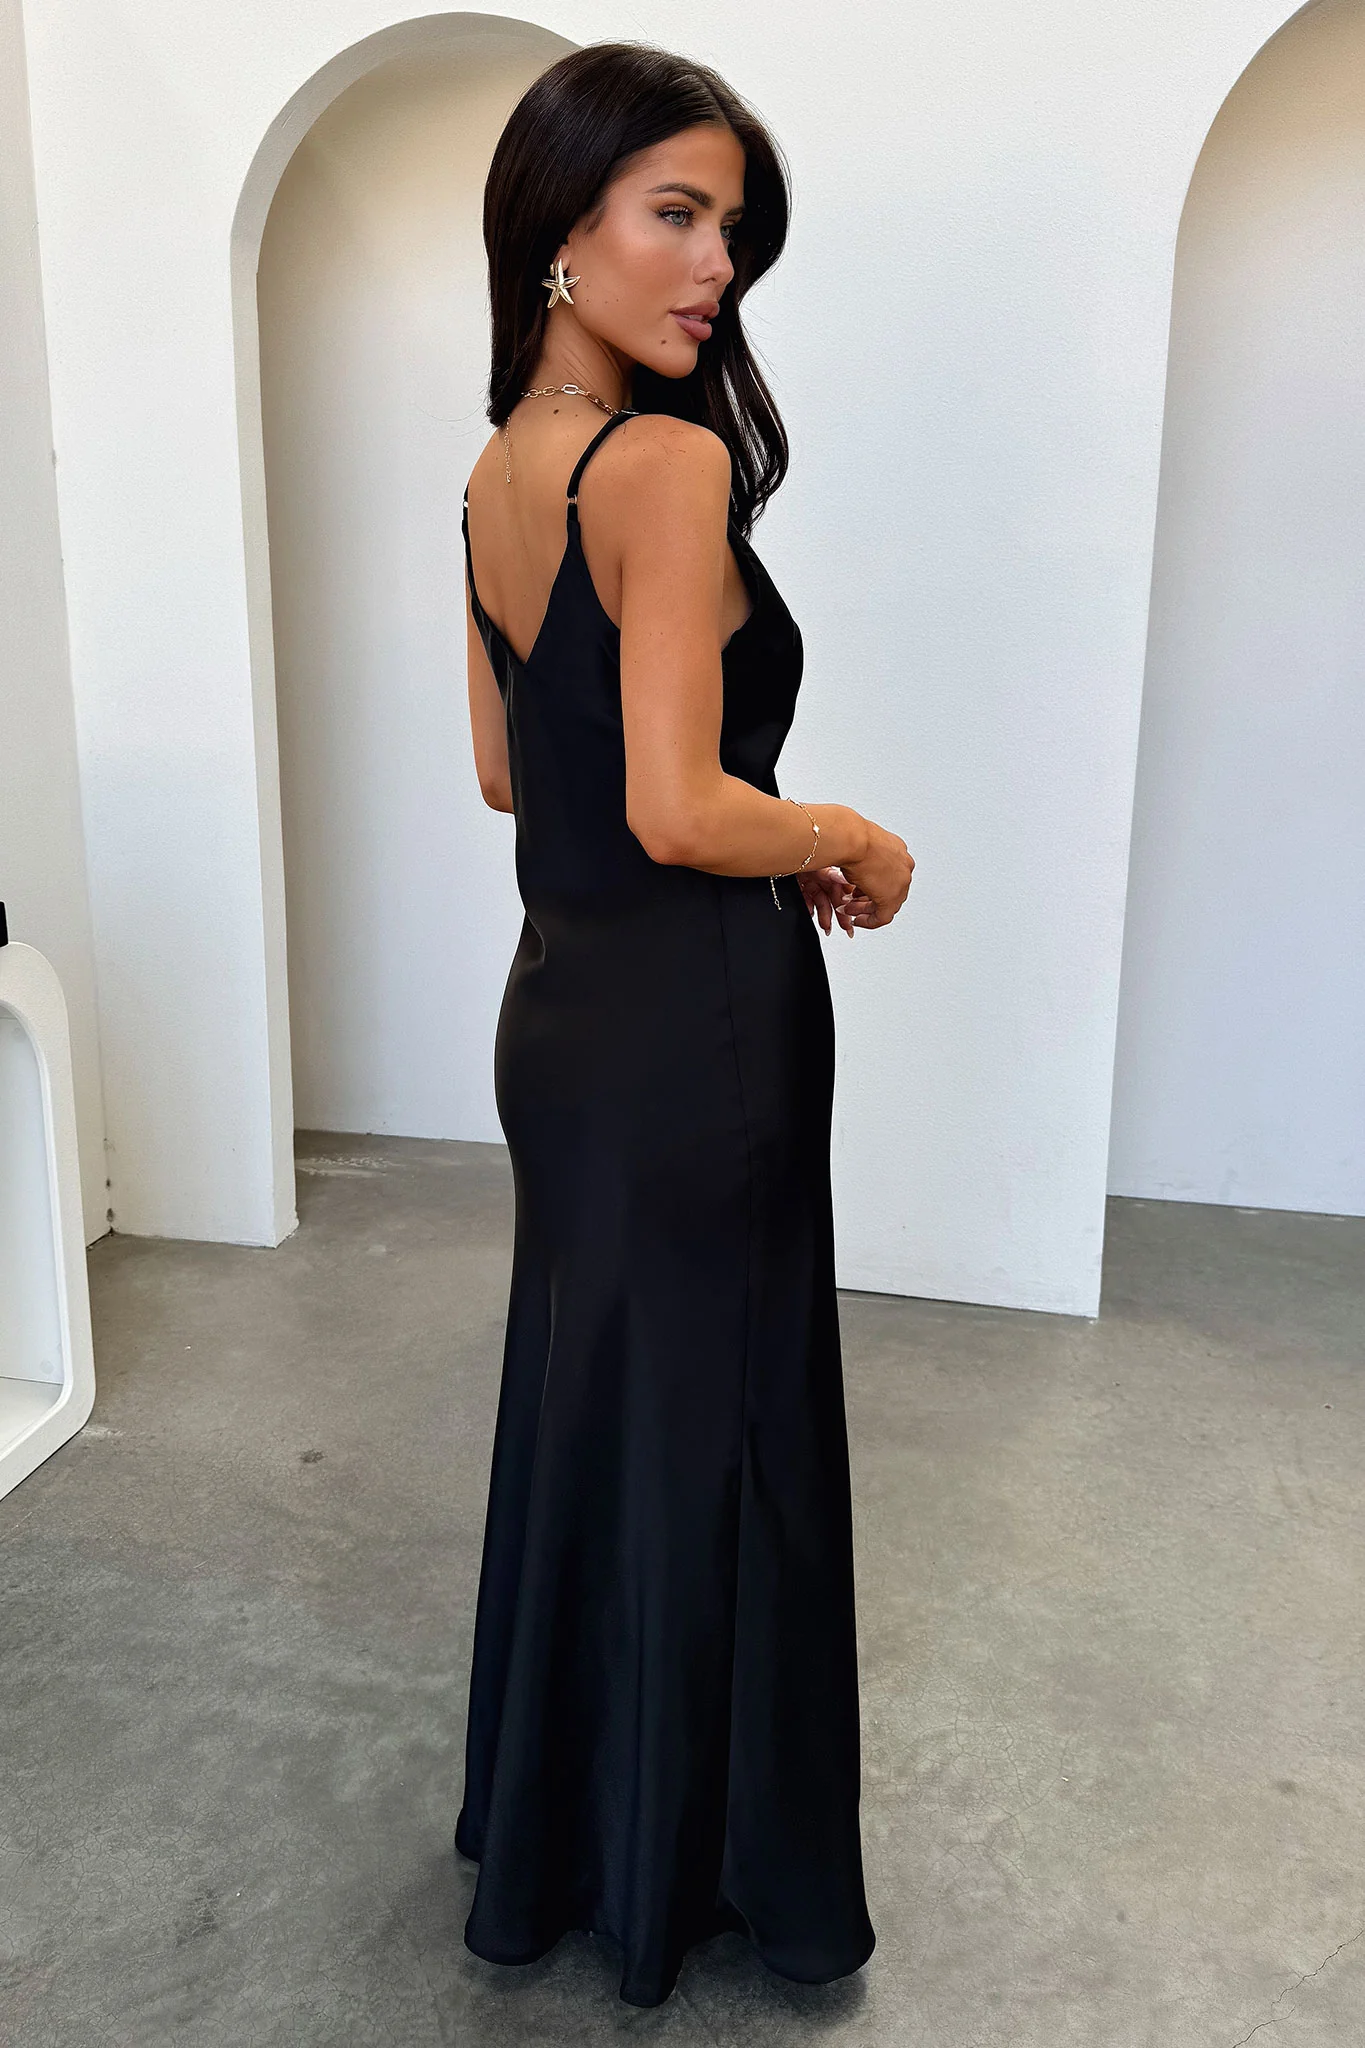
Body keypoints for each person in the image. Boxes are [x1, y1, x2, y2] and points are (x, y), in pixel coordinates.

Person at [454, 40, 915, 2010]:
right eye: (677, 212)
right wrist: (848, 834)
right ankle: (711, 1874)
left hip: (560, 1016)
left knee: (599, 1411)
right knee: (721, 1434)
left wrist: (728, 819)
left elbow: (509, 774)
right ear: (560, 228)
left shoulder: (498, 469)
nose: (718, 262)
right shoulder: (661, 465)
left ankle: (567, 1842)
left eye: (729, 225)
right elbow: (673, 806)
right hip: (701, 1029)